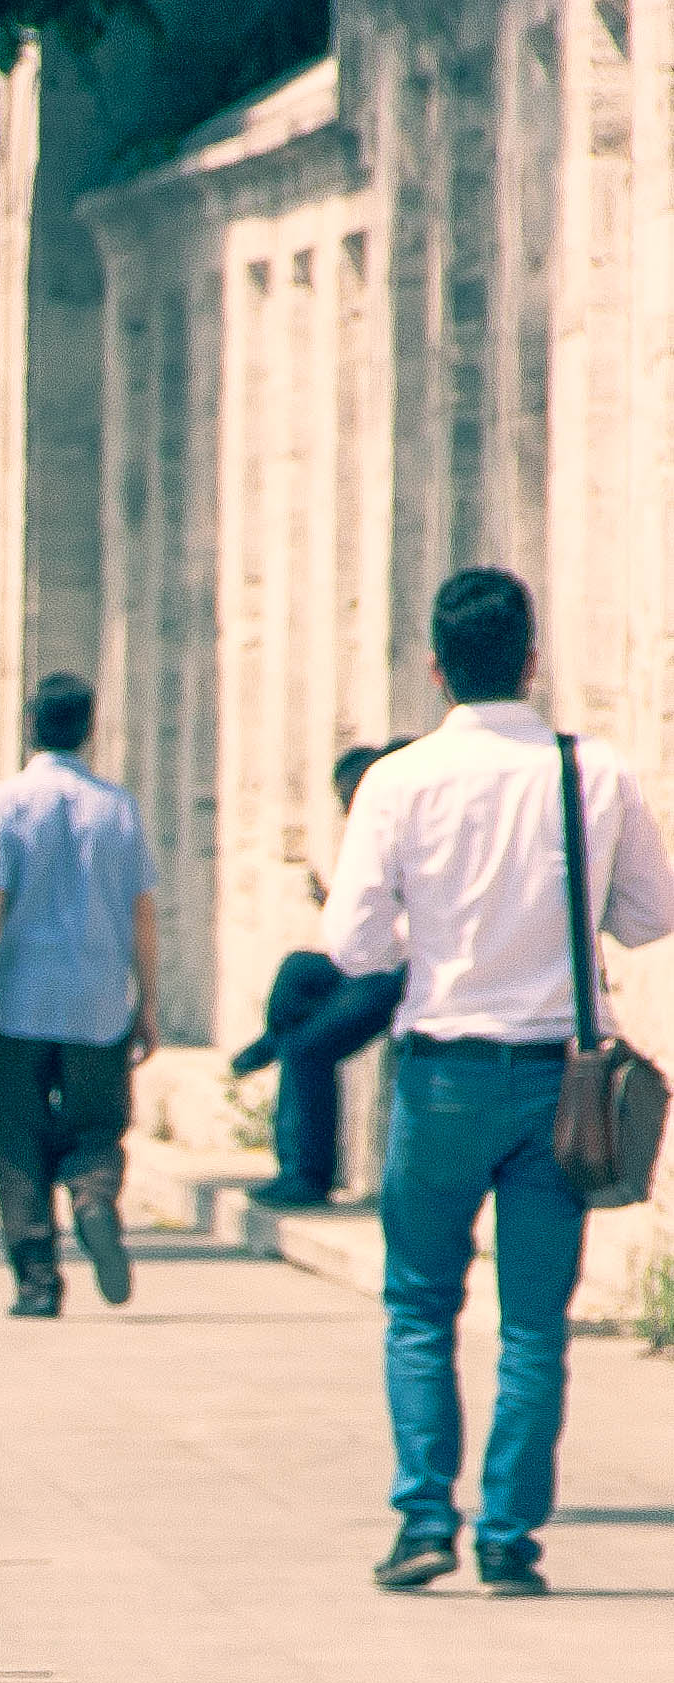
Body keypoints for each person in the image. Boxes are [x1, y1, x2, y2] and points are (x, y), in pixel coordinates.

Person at [324, 567, 674, 1596]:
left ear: (433, 666)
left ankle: (424, 1515)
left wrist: (421, 934)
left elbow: (348, 942)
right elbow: (647, 916)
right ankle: (508, 1535)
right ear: (530, 660)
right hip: (555, 1085)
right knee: (532, 1321)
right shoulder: (589, 773)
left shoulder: (395, 780)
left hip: (439, 1072)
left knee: (419, 1304)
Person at [0, 672, 159, 1316]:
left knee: (17, 1139)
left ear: (30, 726)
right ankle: (94, 1196)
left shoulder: (7, 802)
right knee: (98, 1125)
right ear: (88, 729)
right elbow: (142, 913)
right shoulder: (117, 806)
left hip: (20, 1004)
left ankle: (37, 1283)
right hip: (100, 1003)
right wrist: (148, 1001)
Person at [230, 741, 412, 1206]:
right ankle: (273, 1037)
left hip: (401, 972)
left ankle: (307, 1175)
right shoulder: (375, 831)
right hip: (370, 962)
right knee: (298, 970)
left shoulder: (409, 824)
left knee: (308, 1049)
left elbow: (394, 928)